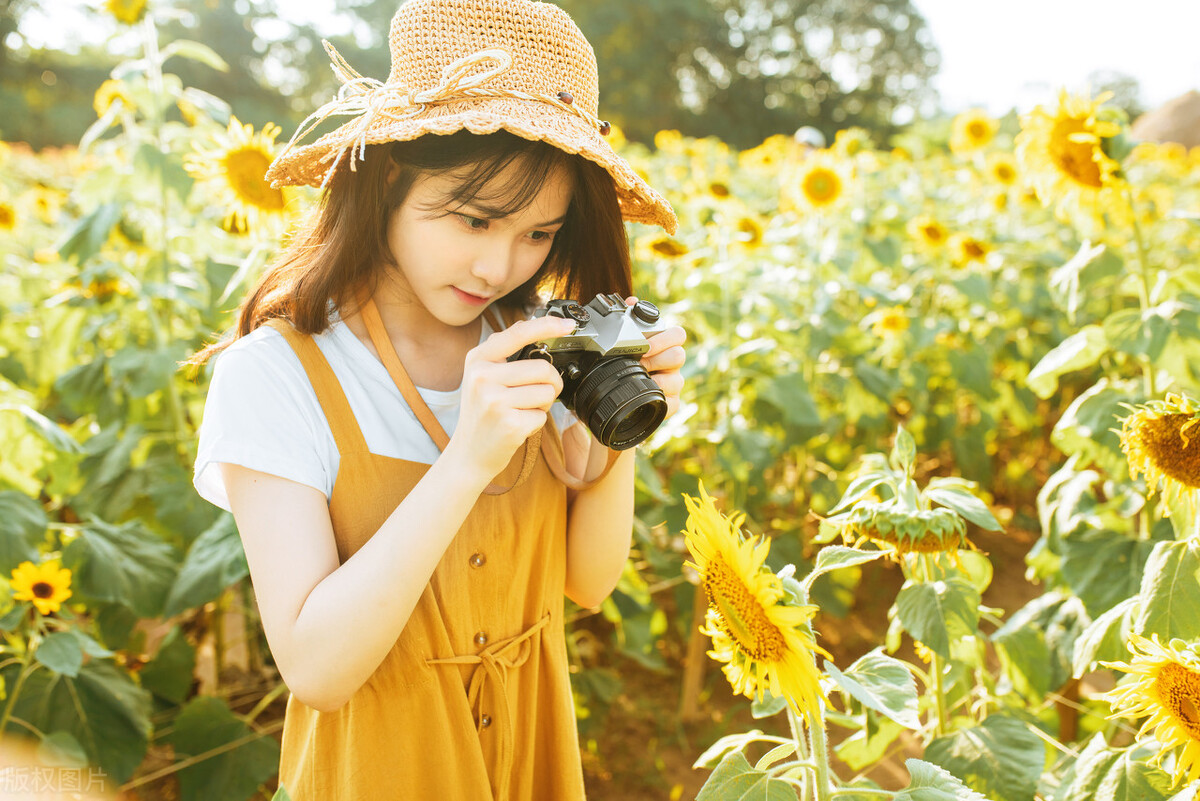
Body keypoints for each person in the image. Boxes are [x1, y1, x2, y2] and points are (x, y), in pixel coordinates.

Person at [189, 0, 686, 798]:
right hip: (375, 769)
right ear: (388, 178)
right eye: (475, 218)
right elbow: (317, 666)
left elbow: (587, 585)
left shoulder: (535, 343)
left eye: (538, 234)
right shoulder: (276, 373)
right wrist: (466, 461)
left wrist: (622, 408)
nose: (499, 266)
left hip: (532, 758)